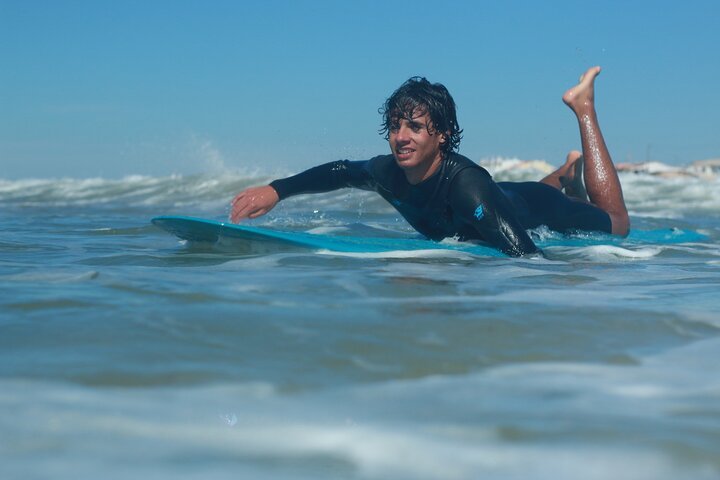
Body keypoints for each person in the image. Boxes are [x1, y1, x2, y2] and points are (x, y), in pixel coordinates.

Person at [229, 66, 629, 257]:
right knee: (514, 198)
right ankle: (566, 172)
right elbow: (340, 172)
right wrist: (276, 190)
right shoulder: (387, 172)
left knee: (617, 223)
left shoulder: (466, 187)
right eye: (395, 126)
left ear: (442, 136)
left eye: (415, 127)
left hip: (536, 210)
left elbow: (527, 256)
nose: (401, 137)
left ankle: (584, 108)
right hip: (504, 198)